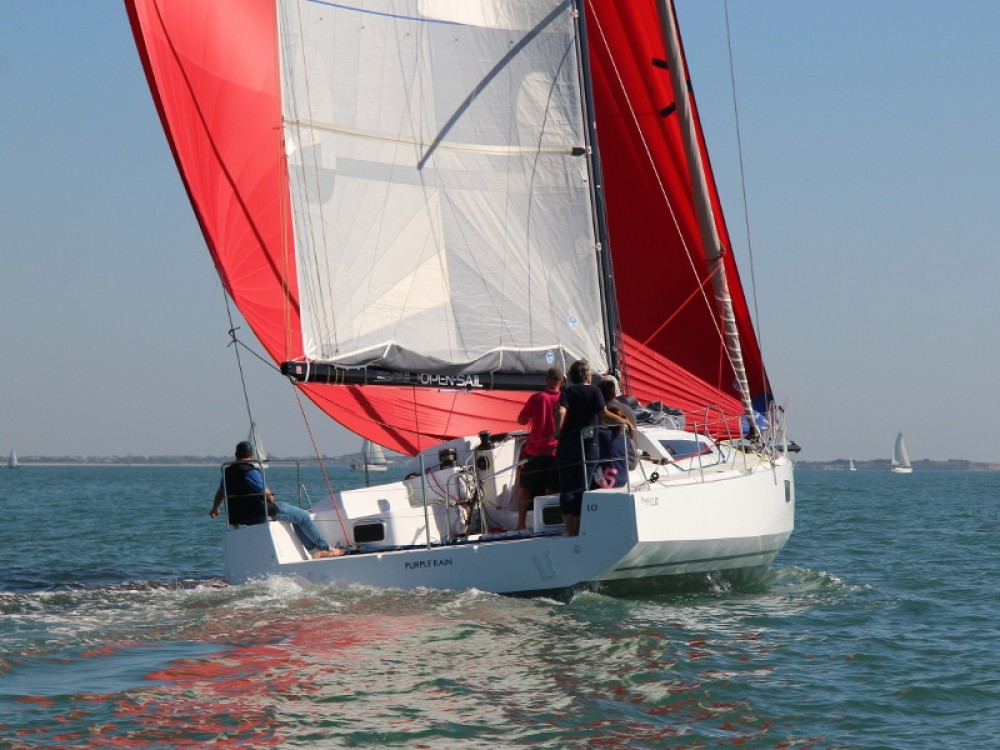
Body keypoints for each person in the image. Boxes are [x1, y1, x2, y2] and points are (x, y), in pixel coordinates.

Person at [210, 441, 344, 559]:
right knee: (303, 516)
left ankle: (315, 551)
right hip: (259, 512)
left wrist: (215, 508)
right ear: (251, 456)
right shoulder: (250, 471)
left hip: (240, 516)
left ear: (235, 455)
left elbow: (221, 492)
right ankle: (326, 548)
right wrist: (271, 497)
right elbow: (267, 495)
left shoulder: (227, 473)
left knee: (295, 516)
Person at [554, 359, 631, 536]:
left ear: (572, 376)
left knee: (567, 486)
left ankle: (568, 530)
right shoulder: (595, 391)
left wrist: (557, 431)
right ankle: (578, 529)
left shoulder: (568, 392)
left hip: (567, 444)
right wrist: (625, 422)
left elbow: (560, 411)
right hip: (588, 445)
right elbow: (603, 413)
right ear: (587, 375)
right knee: (583, 487)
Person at [513, 366, 563, 530]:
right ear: (561, 381)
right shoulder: (564, 399)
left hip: (535, 451)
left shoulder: (536, 398)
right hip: (554, 451)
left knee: (526, 488)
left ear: (546, 380)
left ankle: (521, 524)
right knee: (550, 489)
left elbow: (521, 420)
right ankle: (546, 524)